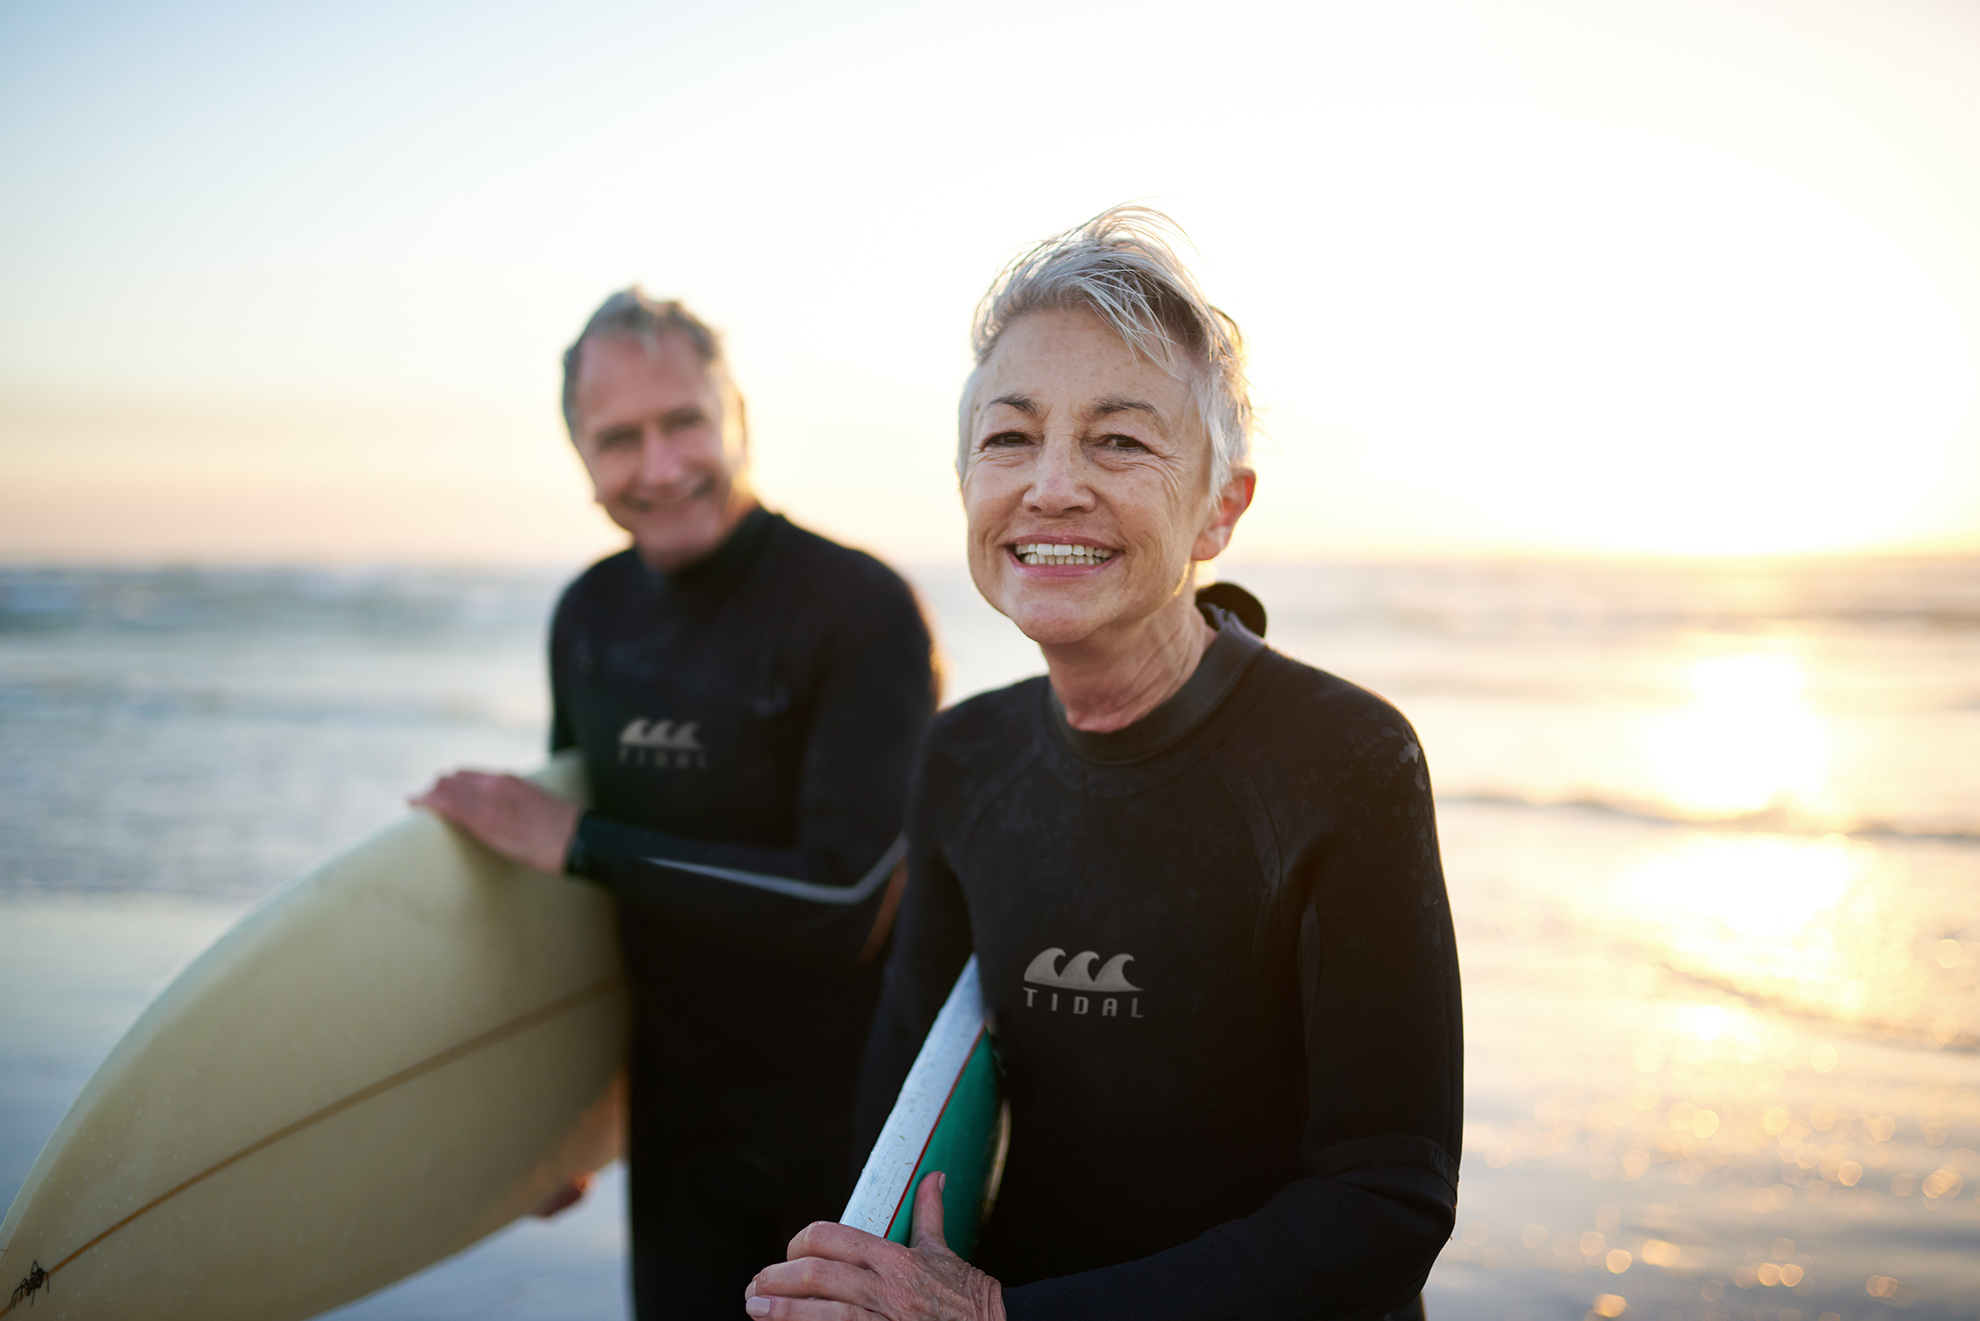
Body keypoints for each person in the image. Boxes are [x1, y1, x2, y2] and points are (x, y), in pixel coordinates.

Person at [744, 209, 1461, 1320]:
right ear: (966, 485)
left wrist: (998, 1317)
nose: (1053, 485)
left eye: (1119, 440)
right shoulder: (965, 756)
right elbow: (910, 1117)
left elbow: (1388, 1201)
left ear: (1221, 508)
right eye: (1010, 439)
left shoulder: (1345, 761)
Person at [415, 290, 938, 1318]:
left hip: (851, 1139)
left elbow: (845, 904)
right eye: (618, 440)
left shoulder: (857, 609)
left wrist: (577, 838)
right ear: (579, 456)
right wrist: (557, 1121)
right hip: (675, 1137)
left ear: (736, 413)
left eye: (684, 422)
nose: (659, 468)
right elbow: (583, 915)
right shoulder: (592, 618)